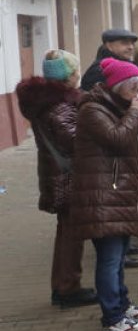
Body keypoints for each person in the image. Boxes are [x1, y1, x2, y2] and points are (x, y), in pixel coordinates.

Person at [72, 57, 138, 331]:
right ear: (118, 87)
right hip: (102, 195)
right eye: (133, 89)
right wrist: (134, 116)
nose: (137, 96)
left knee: (118, 258)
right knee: (109, 259)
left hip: (119, 193)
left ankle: (122, 304)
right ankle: (112, 319)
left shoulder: (120, 108)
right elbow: (118, 140)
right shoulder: (92, 110)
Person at [15, 50, 96, 309]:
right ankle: (67, 287)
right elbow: (75, 141)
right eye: (74, 72)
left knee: (68, 233)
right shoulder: (60, 106)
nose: (78, 76)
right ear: (66, 77)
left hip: (57, 175)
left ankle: (65, 285)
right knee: (71, 235)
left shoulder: (45, 102)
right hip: (67, 178)